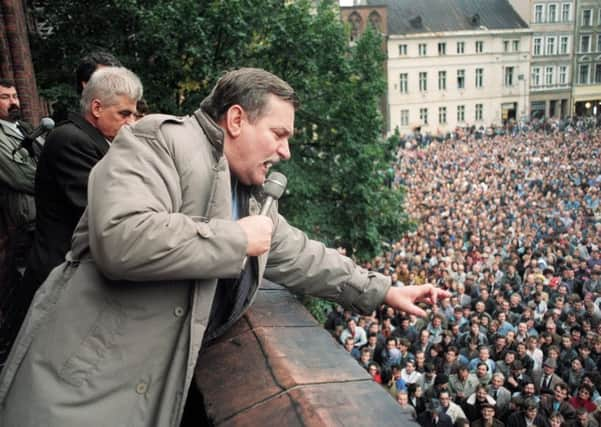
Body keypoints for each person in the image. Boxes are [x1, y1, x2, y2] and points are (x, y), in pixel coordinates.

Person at [0, 68, 449, 426]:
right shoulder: (160, 140)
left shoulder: (248, 191)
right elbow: (122, 237)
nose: (286, 151)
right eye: (279, 133)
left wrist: (384, 290)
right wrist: (237, 239)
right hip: (75, 393)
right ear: (236, 120)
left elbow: (300, 253)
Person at [17, 67, 142, 329]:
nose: (131, 122)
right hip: (58, 275)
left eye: (133, 113)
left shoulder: (90, 138)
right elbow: (101, 210)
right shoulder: (72, 140)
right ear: (97, 108)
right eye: (124, 113)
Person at [0, 79, 38, 366]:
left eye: (14, 96)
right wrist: (53, 177)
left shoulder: (26, 129)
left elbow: (50, 159)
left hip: (45, 217)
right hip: (24, 223)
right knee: (25, 288)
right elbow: (20, 176)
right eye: (4, 97)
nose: (13, 102)